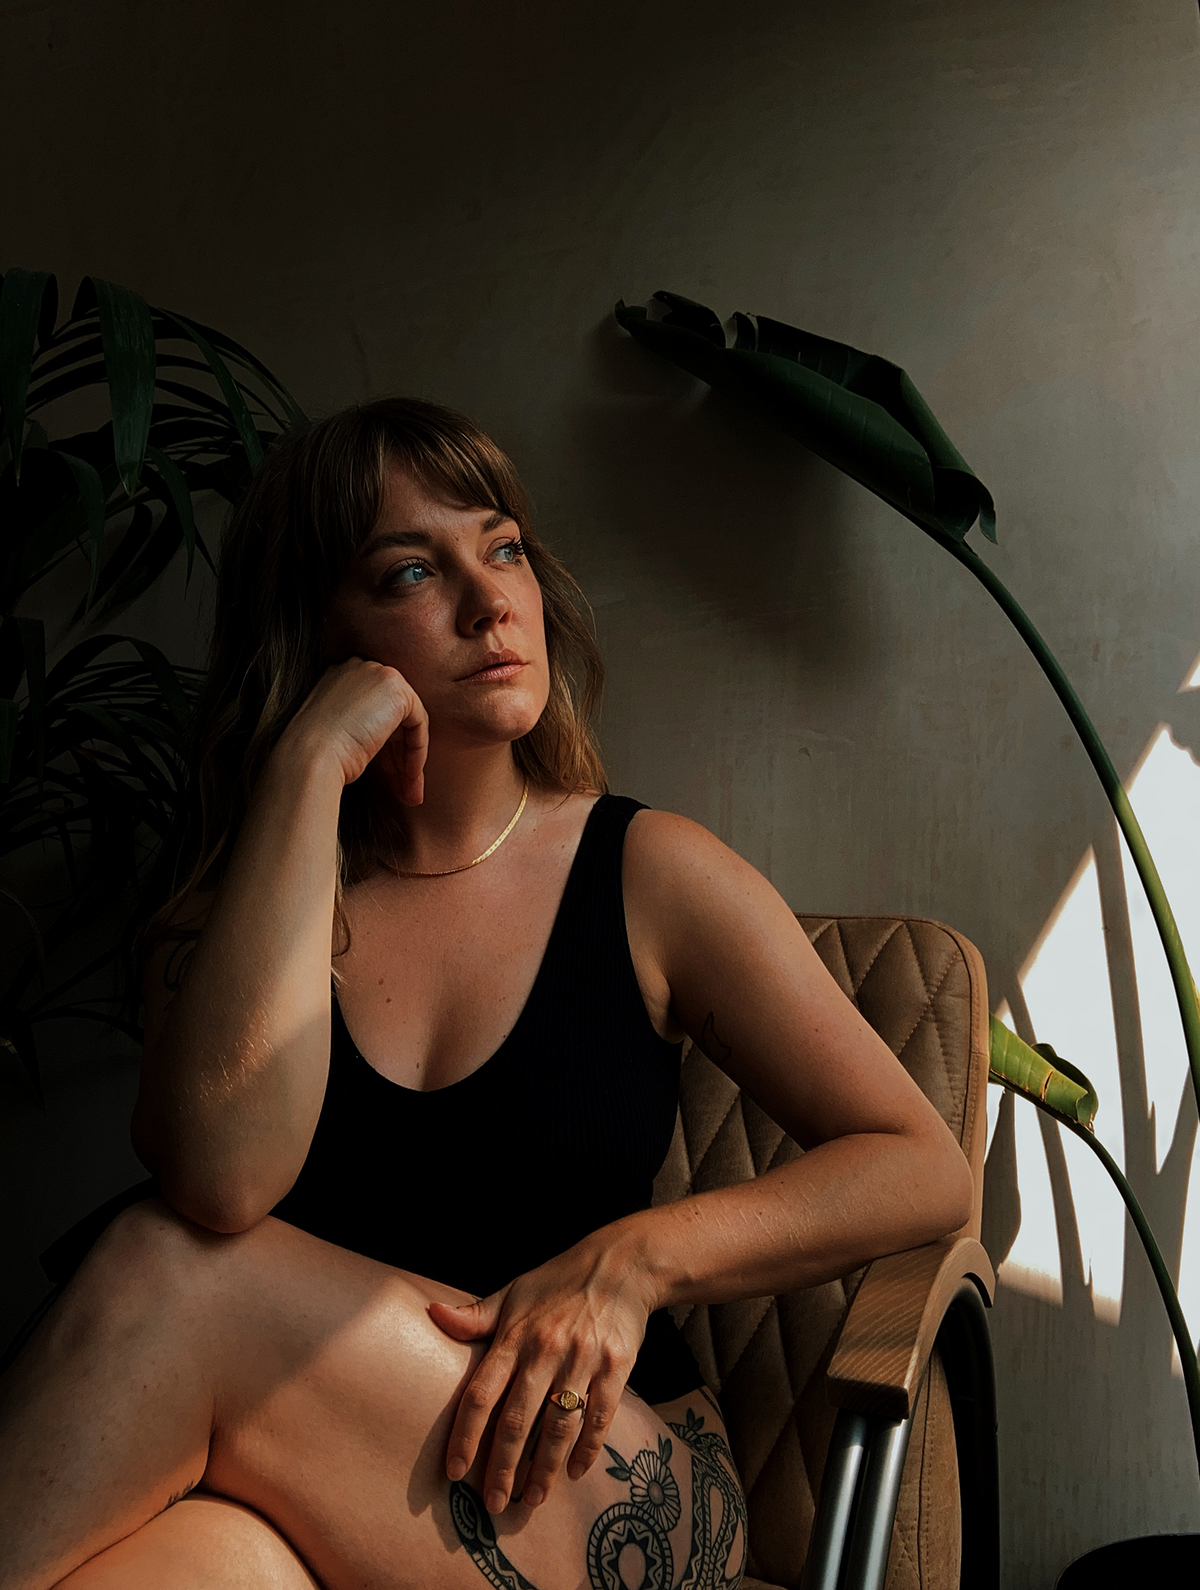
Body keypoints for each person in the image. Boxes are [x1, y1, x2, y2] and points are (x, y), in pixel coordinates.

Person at [0, 399, 973, 1590]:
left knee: (162, 1265)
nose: (490, 598)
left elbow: (921, 1163)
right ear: (316, 640)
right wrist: (309, 768)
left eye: (502, 547)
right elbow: (224, 1178)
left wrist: (637, 1261)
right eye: (412, 570)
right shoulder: (228, 918)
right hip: (323, 1482)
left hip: (608, 1472)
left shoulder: (650, 872)